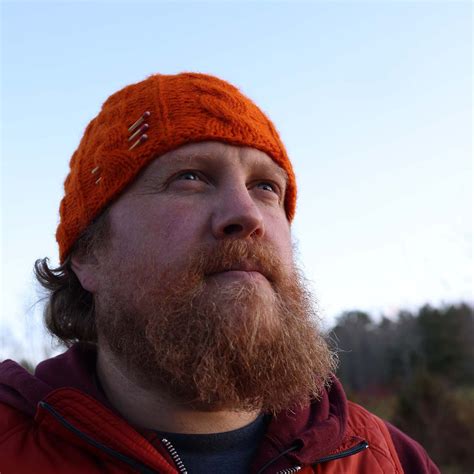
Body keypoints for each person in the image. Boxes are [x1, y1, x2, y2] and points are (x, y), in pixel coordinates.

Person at [0, 73, 439, 473]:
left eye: (265, 187)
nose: (247, 214)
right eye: (190, 177)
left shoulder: (389, 460)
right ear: (88, 255)